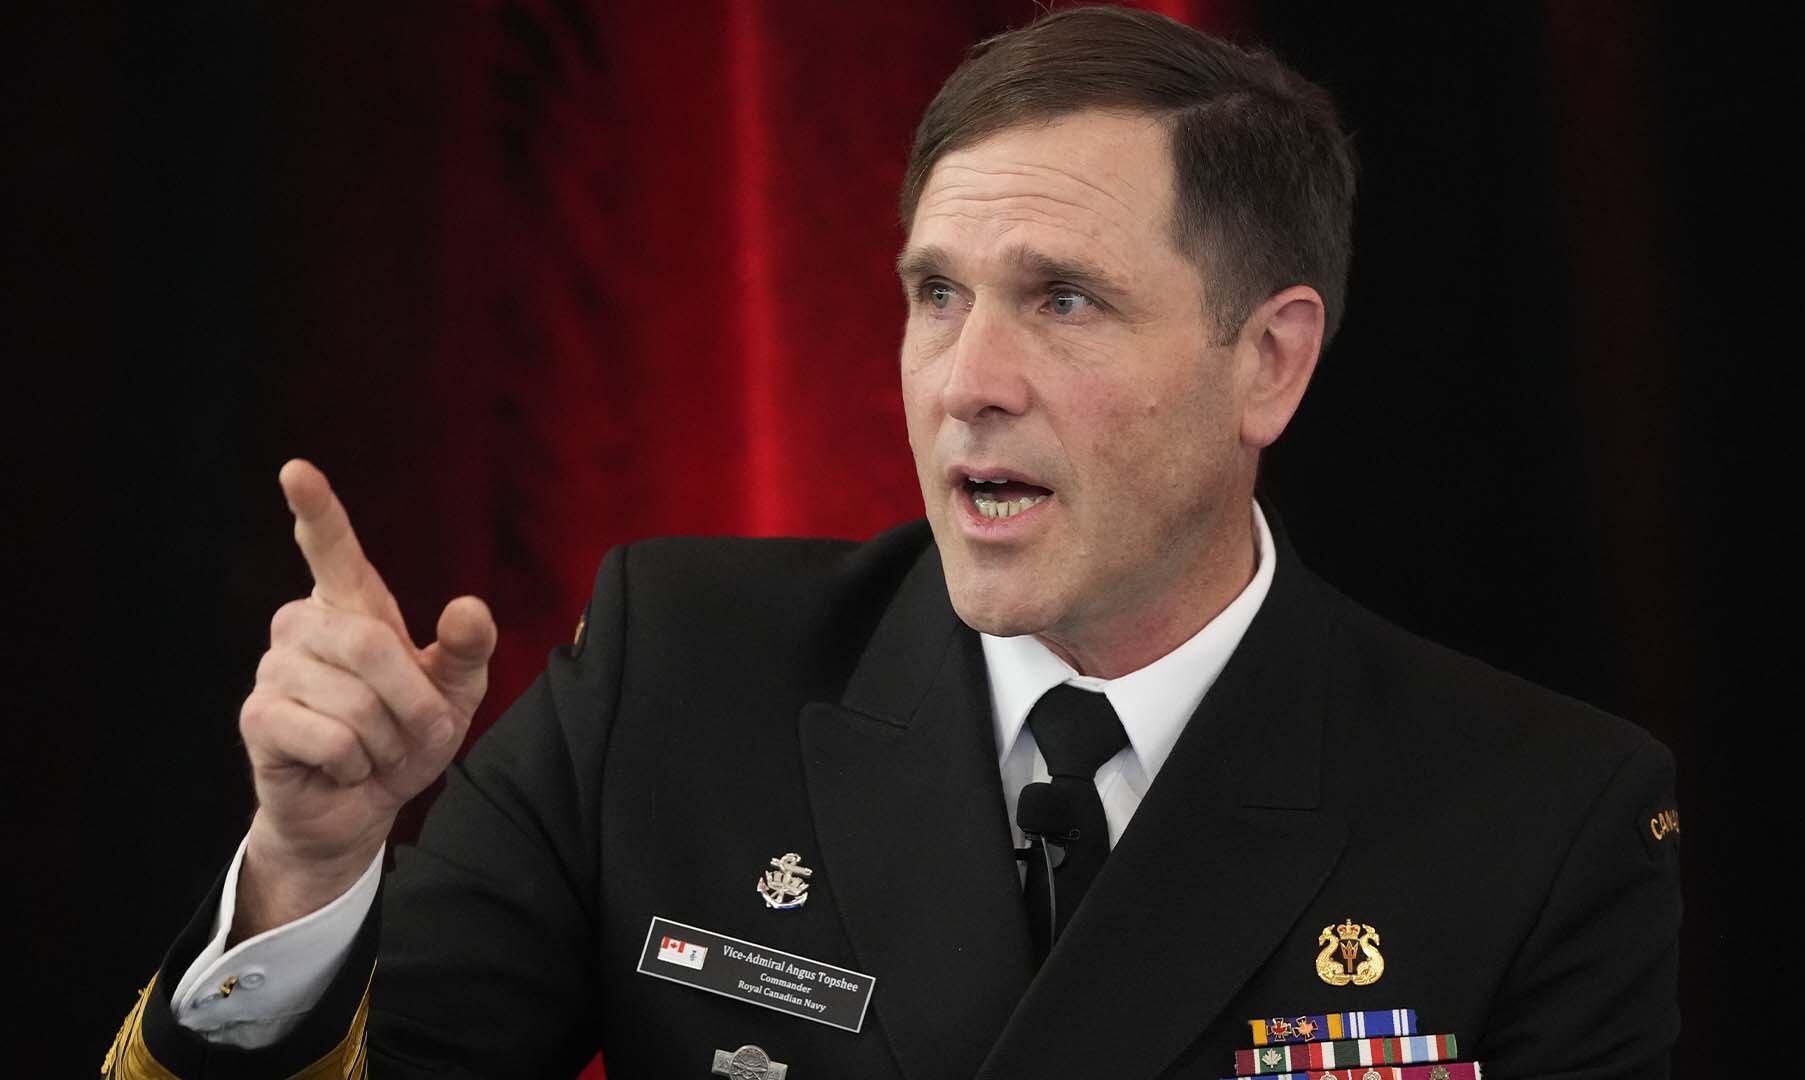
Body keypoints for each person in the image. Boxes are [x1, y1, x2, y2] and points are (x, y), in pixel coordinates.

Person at [104, 7, 1680, 1078]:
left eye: (1064, 299)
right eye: (938, 295)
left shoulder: (1540, 814)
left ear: (1268, 361)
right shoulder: (675, 669)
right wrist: (311, 865)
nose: (966, 382)